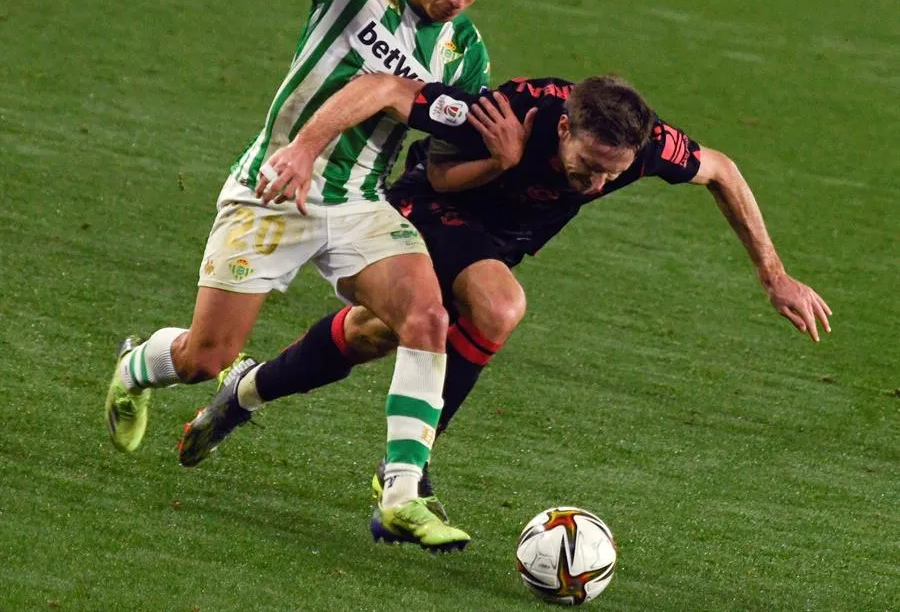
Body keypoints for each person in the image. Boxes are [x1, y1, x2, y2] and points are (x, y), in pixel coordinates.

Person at [177, 72, 832, 519]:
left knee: (376, 333)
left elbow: (722, 169)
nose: (598, 184)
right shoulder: (508, 110)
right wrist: (498, 159)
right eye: (587, 165)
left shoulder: (647, 144)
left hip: (495, 240)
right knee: (499, 304)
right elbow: (408, 133)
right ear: (566, 127)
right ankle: (406, 472)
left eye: (614, 172)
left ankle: (245, 391)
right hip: (421, 209)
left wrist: (774, 274)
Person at [104, 0, 507, 551]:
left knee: (427, 316)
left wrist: (497, 159)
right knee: (207, 357)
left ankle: (403, 489)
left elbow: (441, 164)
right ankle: (135, 366)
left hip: (358, 202)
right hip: (272, 191)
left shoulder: (466, 54)